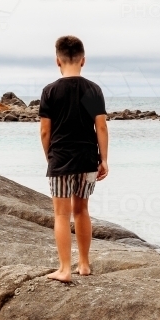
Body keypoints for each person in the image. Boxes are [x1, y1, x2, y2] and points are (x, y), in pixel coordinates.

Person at [38, 35, 109, 283]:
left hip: (60, 158)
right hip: (88, 157)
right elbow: (101, 127)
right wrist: (104, 159)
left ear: (58, 60)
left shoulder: (50, 91)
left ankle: (65, 269)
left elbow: (45, 130)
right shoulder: (93, 90)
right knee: (82, 210)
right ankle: (85, 264)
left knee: (61, 215)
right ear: (83, 60)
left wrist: (50, 156)